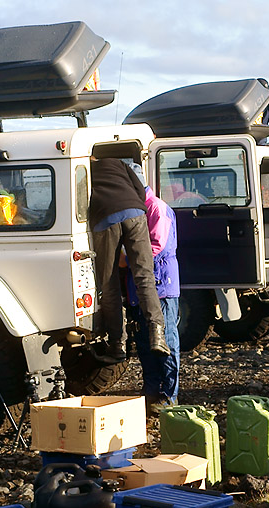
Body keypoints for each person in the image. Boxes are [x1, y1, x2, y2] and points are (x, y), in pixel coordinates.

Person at [89, 157, 169, 363]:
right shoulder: (118, 164)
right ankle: (158, 335)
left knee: (109, 283)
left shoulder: (83, 170)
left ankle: (118, 345)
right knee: (144, 276)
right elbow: (140, 190)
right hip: (135, 213)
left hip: (106, 218)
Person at [125, 174, 181, 412]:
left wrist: (123, 259)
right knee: (144, 341)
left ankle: (170, 395)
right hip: (142, 284)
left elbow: (156, 246)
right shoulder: (140, 208)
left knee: (166, 339)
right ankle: (150, 391)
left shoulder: (157, 208)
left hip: (161, 285)